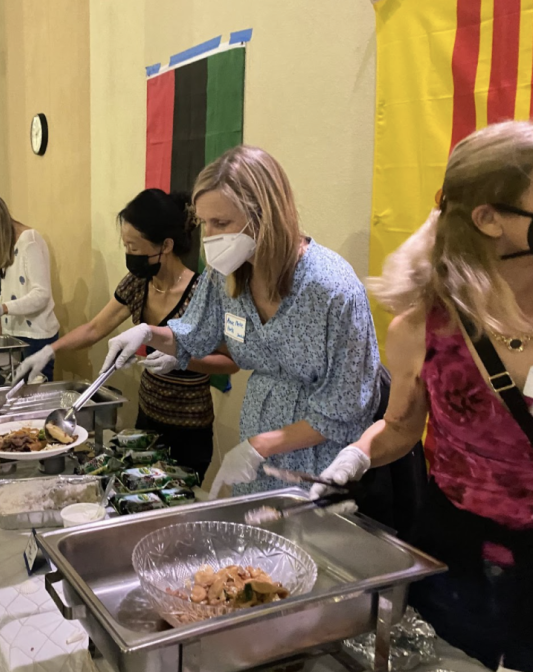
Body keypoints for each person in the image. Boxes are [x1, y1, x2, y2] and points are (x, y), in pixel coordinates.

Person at [314, 121, 533, 671]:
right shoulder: (423, 328)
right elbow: (402, 427)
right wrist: (360, 453)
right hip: (463, 553)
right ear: (489, 219)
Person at [101, 145, 381, 497]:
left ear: (265, 215)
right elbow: (191, 337)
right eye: (204, 224)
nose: (211, 238)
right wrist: (147, 333)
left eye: (221, 223)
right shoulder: (229, 275)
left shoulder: (332, 289)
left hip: (317, 466)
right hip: (257, 456)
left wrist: (261, 445)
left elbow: (344, 409)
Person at [15, 189, 239, 477]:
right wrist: (49, 350)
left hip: (189, 428)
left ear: (166, 245)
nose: (129, 255)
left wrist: (182, 360)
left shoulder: (201, 292)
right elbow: (95, 328)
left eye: (134, 248)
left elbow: (230, 361)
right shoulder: (138, 282)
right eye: (126, 246)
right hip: (147, 418)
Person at [0, 191, 61, 380]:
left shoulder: (30, 241)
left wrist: (3, 308)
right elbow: (9, 291)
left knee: (33, 396)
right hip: (16, 335)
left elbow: (41, 294)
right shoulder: (7, 243)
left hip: (36, 337)